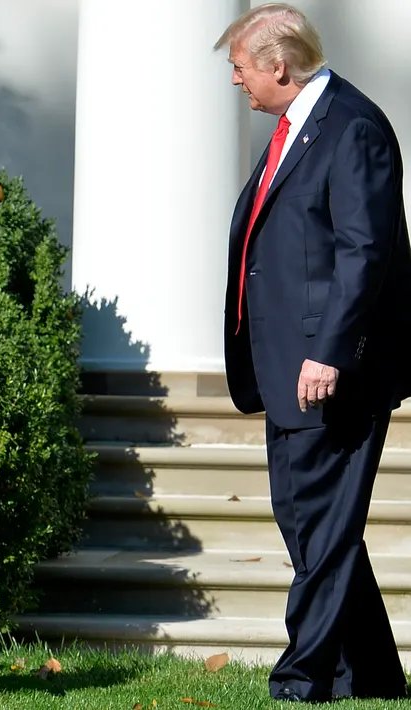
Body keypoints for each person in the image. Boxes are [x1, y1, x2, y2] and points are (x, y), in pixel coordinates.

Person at [216, 3, 411, 703]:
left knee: (319, 526)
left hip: (328, 369)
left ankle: (302, 678)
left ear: (277, 65)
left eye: (240, 69)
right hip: (285, 364)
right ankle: (373, 675)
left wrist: (329, 352)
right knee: (311, 521)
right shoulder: (296, 129)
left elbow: (366, 252)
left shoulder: (351, 128)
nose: (235, 81)